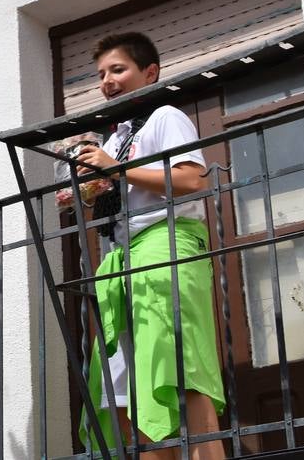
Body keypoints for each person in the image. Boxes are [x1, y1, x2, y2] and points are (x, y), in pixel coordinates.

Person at [74, 32, 225, 459]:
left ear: (150, 72)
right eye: (101, 74)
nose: (107, 81)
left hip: (165, 246)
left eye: (118, 69)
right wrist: (88, 188)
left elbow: (192, 179)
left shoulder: (165, 116)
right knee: (122, 384)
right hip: (120, 259)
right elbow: (113, 187)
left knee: (178, 369)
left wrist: (117, 169)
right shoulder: (115, 136)